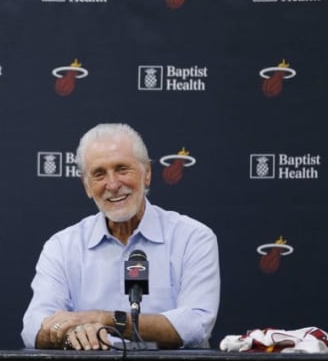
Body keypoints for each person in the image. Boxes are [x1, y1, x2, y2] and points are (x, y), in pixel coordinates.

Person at [21, 123, 219, 351]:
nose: (113, 184)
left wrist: (106, 320)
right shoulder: (62, 246)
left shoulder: (193, 237)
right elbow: (33, 327)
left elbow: (196, 325)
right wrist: (70, 332)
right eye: (99, 174)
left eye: (122, 169)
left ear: (147, 174)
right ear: (86, 186)